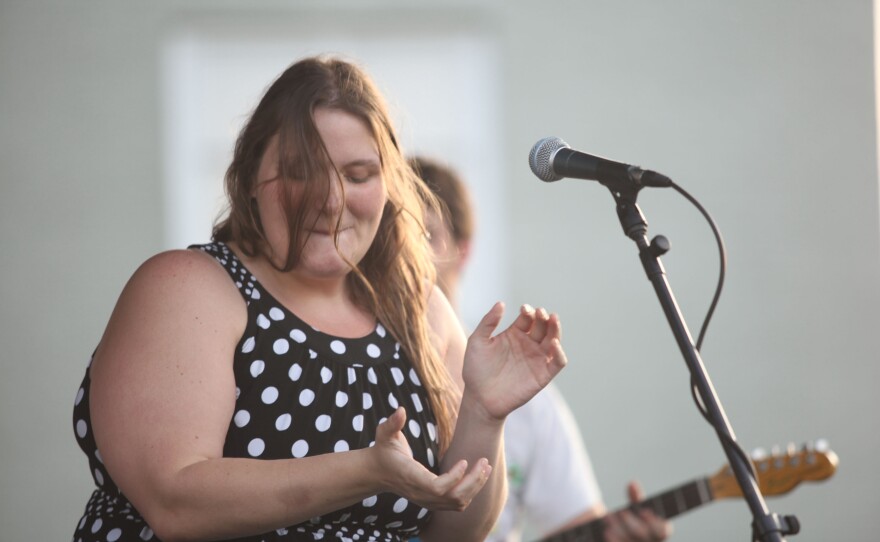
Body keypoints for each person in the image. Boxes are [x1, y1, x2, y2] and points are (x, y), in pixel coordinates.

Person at [70, 56, 569, 542]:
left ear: (388, 185)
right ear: (249, 179)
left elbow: (456, 532)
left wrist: (485, 412)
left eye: (358, 175)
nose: (331, 200)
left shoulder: (418, 309)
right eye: (300, 171)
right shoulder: (191, 286)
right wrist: (366, 469)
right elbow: (175, 503)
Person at [409, 156, 672, 542]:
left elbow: (577, 522)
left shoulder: (526, 396)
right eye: (394, 236)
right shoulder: (367, 374)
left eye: (425, 235)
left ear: (463, 251)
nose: (407, 256)